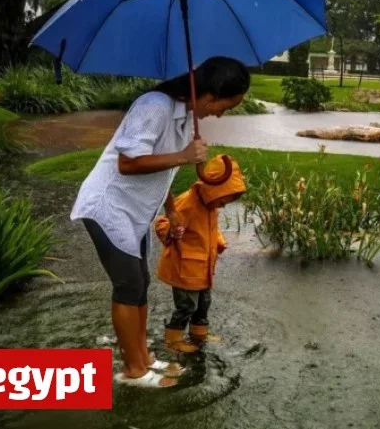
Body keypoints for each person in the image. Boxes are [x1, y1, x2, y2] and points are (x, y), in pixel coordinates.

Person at [71, 57, 250, 388]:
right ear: (211, 94)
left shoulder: (183, 119)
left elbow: (162, 169)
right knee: (129, 286)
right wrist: (184, 156)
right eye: (227, 105)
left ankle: (143, 358)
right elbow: (128, 162)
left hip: (137, 211)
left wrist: (171, 208)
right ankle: (133, 371)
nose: (222, 113)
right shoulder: (154, 105)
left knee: (140, 283)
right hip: (108, 206)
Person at [155, 154, 246, 353]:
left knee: (204, 304)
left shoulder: (209, 206)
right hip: (185, 269)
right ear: (214, 190)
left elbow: (210, 230)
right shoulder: (188, 203)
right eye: (223, 200)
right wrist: (172, 230)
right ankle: (173, 339)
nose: (223, 205)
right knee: (187, 306)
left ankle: (198, 333)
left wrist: (219, 241)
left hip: (202, 270)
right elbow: (162, 223)